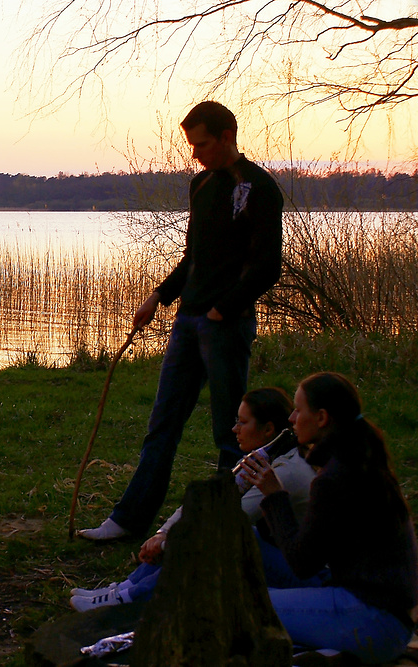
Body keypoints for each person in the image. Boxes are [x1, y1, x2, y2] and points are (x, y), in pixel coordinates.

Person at [81, 100, 284, 541]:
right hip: (187, 322)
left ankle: (225, 525)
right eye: (191, 145)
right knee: (163, 424)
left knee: (230, 432)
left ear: (228, 136)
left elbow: (268, 267)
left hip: (224, 325)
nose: (195, 153)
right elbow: (194, 257)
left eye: (202, 143)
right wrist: (158, 294)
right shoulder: (201, 184)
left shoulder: (260, 187)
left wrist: (222, 309)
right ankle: (128, 521)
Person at [70, 387, 317, 611]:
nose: (234, 430)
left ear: (268, 430)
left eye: (242, 422)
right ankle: (125, 589)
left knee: (212, 538)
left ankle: (132, 599)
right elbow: (208, 500)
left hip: (304, 576)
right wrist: (163, 533)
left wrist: (169, 543)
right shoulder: (265, 457)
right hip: (279, 552)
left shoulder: (285, 471)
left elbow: (220, 520)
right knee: (192, 531)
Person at [242, 372, 418, 663]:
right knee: (248, 545)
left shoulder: (337, 476)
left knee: (242, 605)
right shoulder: (359, 458)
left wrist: (274, 495)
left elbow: (301, 562)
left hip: (372, 619)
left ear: (321, 418)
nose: (292, 419)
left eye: (298, 410)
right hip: (384, 614)